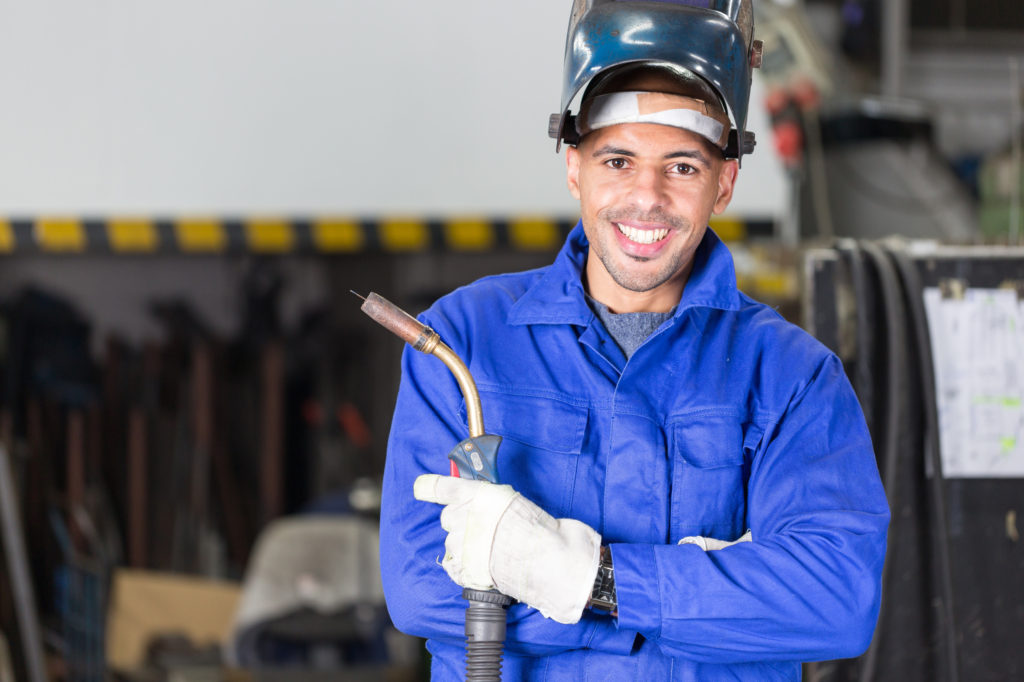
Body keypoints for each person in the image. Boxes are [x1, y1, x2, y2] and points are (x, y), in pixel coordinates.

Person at [380, 2, 889, 679]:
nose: (645, 196)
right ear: (574, 167)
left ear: (725, 183)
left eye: (681, 166)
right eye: (617, 160)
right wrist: (682, 614)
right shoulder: (464, 342)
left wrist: (593, 580)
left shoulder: (792, 377)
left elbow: (834, 599)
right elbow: (421, 590)